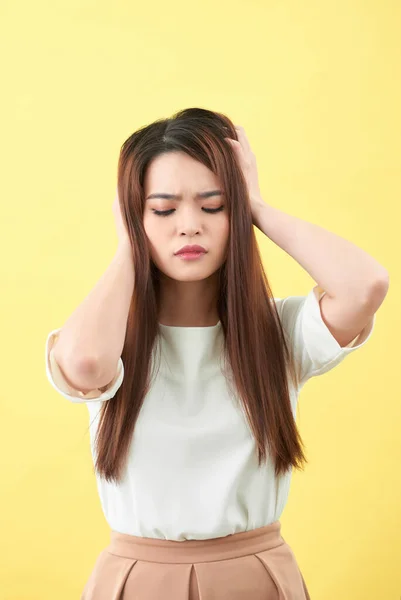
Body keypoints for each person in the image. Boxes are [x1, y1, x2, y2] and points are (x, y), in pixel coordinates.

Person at [45, 107, 387, 599]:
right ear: (134, 216)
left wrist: (261, 209)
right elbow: (85, 365)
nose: (189, 226)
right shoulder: (109, 336)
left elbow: (366, 286)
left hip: (257, 579)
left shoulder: (278, 331)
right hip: (136, 581)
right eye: (163, 209)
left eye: (214, 205)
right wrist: (129, 246)